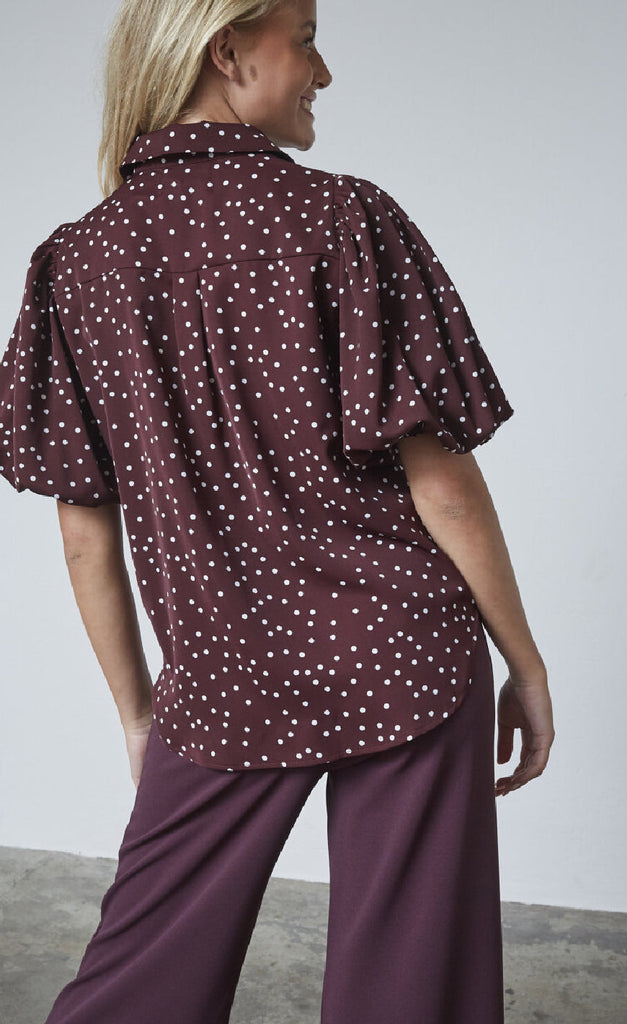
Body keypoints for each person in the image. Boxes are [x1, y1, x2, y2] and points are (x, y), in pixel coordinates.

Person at [0, 0, 555, 1021]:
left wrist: (138, 713)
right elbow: (442, 484)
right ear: (227, 49)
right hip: (402, 649)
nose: (323, 72)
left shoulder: (75, 263)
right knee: (411, 993)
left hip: (222, 670)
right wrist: (525, 661)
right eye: (305, 40)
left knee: (136, 985)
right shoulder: (346, 218)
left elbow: (84, 533)